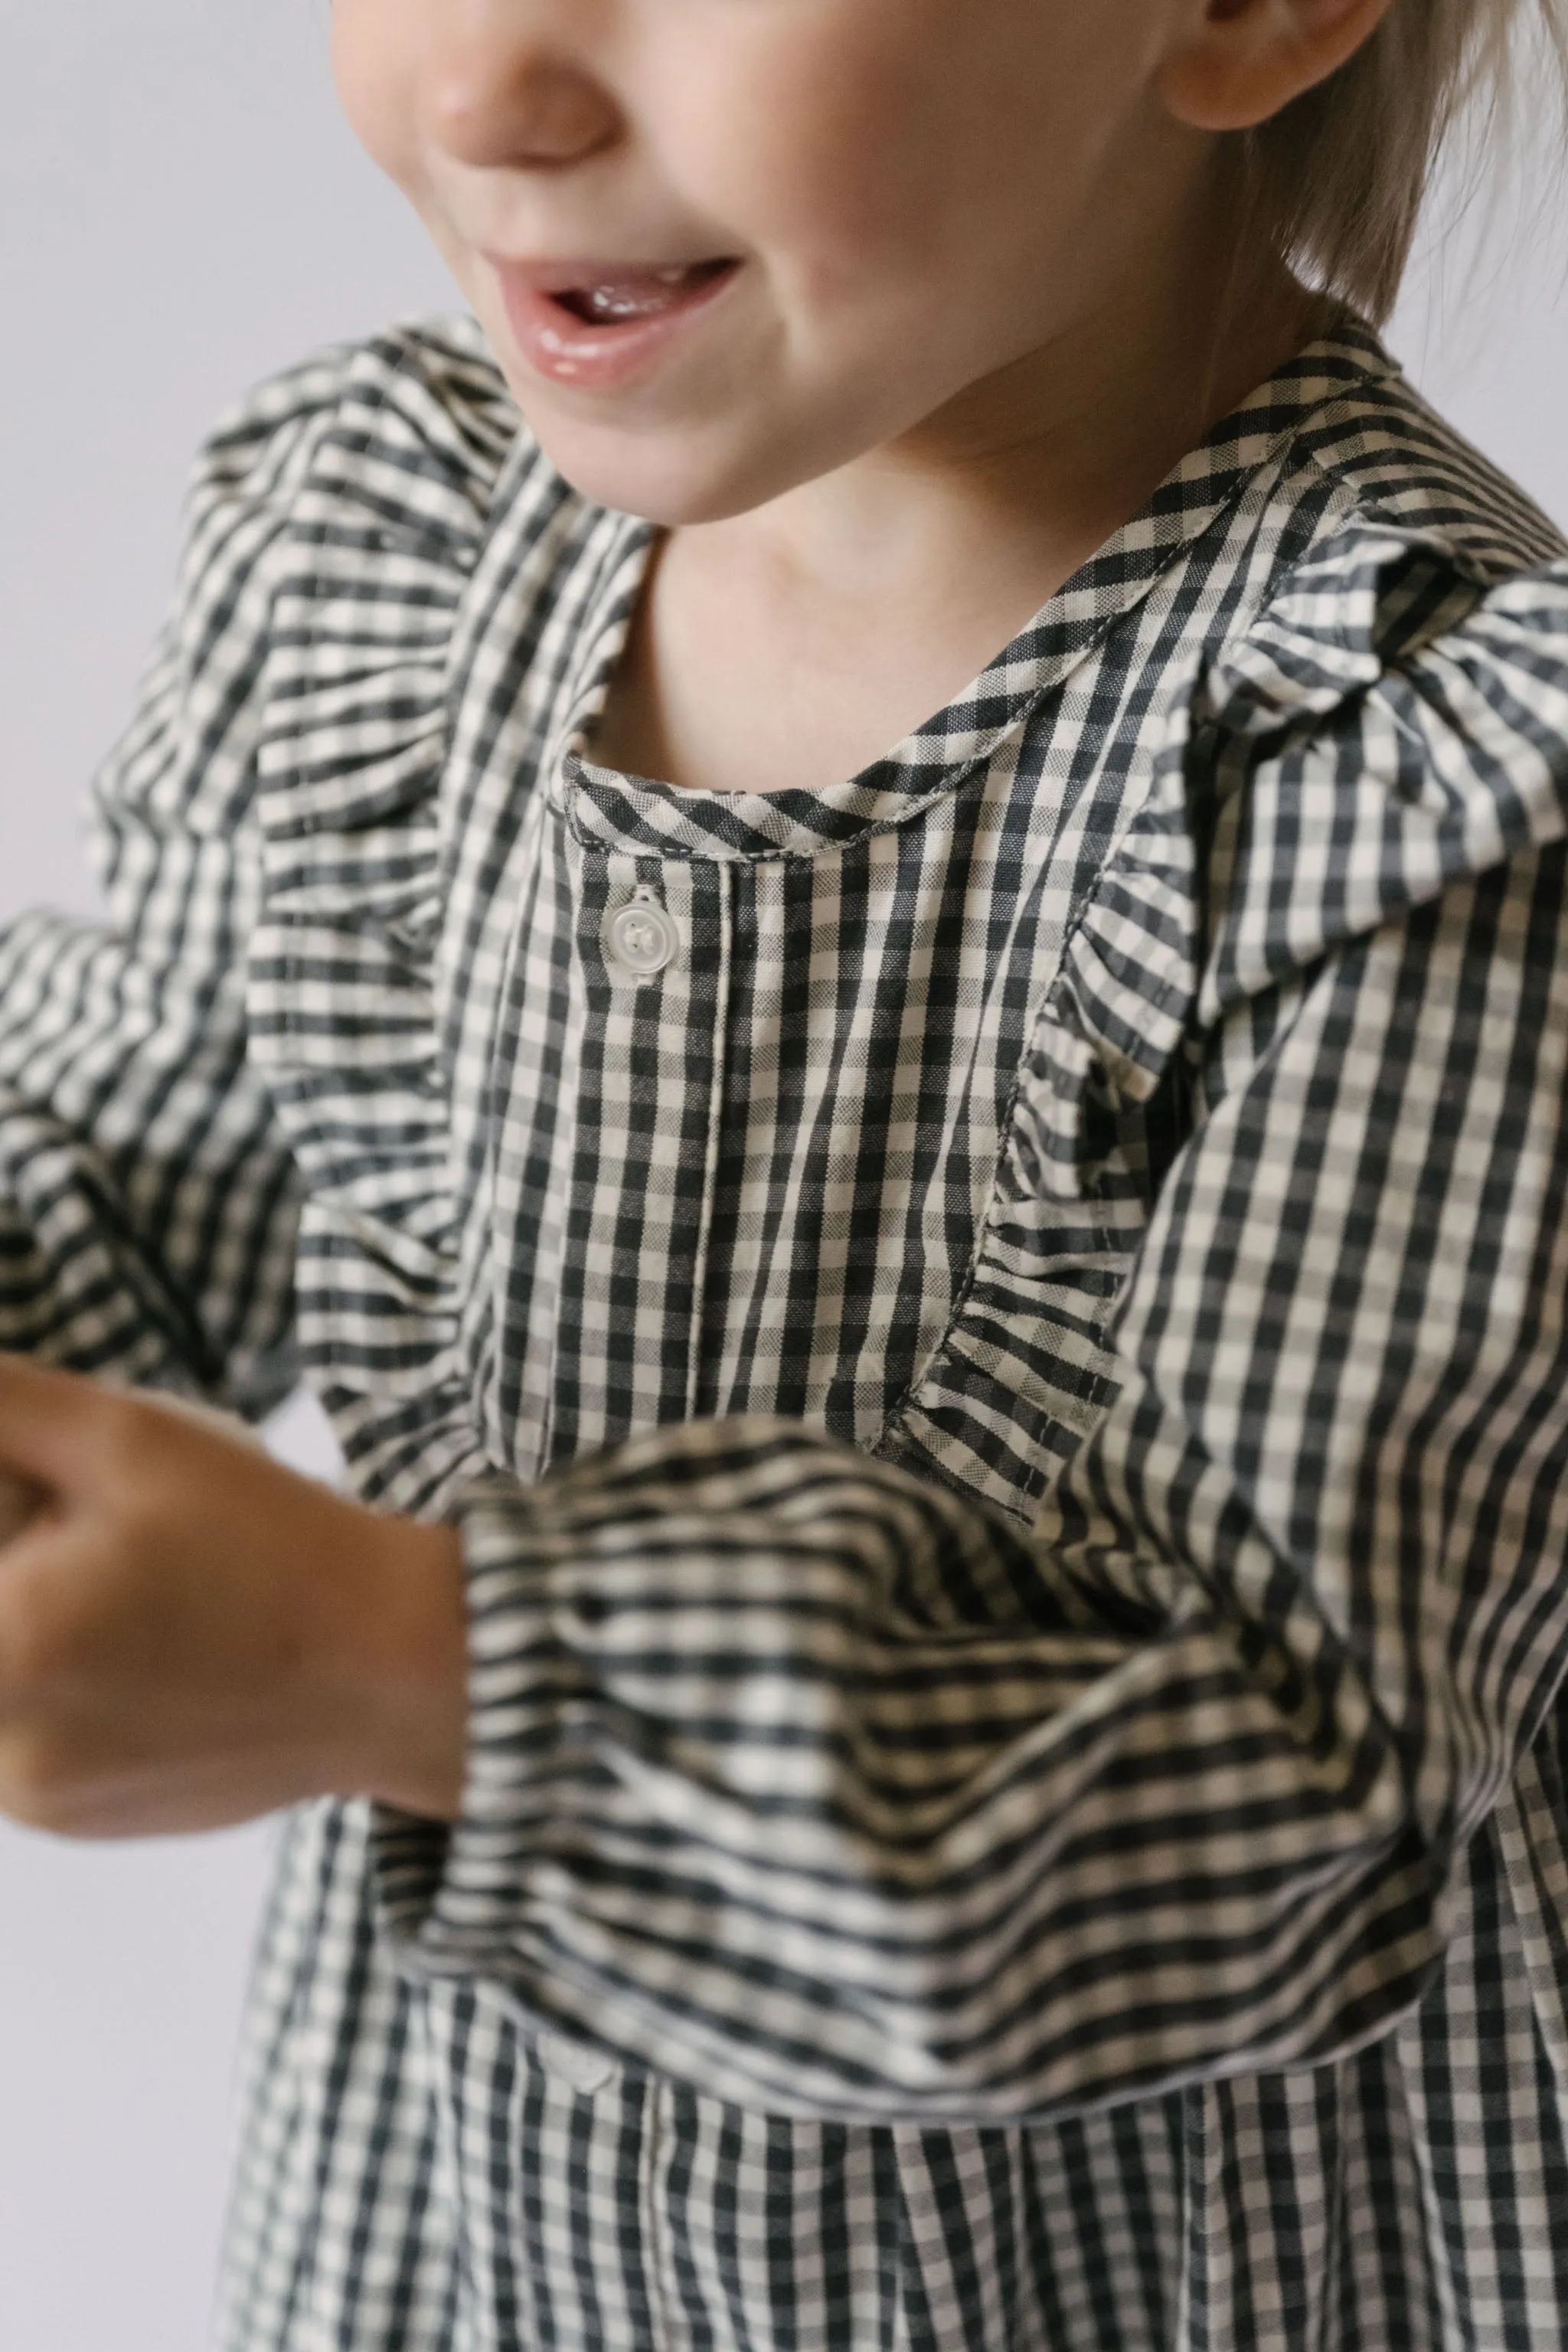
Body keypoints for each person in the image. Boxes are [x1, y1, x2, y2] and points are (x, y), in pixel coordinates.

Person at [3, 0, 1568, 2343]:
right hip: (460, 2245)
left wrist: (405, 1665)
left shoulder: (1428, 768)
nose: (485, 89)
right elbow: (118, 1152)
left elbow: (1275, 1783)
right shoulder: (378, 554)